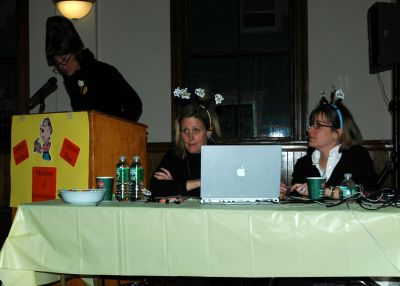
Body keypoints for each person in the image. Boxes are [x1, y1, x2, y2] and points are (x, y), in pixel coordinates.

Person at [281, 90, 378, 199]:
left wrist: (325, 191)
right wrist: (285, 195)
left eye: (317, 125)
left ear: (336, 133)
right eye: (310, 125)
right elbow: (298, 202)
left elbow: (369, 192)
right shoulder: (303, 164)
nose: (309, 130)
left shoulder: (357, 156)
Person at [45, 16, 142, 121]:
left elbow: (135, 104)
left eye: (64, 59)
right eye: (57, 62)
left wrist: (117, 129)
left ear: (75, 51)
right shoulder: (70, 79)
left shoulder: (105, 72)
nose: (61, 66)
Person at [150, 88, 223, 199]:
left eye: (196, 130)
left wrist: (176, 186)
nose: (190, 137)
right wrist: (200, 182)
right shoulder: (175, 153)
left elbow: (222, 191)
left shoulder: (220, 155)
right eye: (185, 130)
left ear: (208, 132)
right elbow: (154, 188)